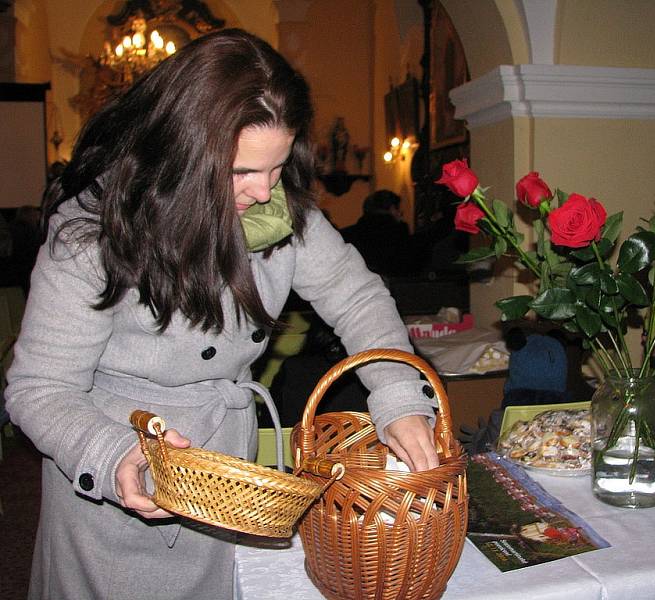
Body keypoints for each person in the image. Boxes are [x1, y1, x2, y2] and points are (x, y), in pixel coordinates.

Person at [5, 29, 439, 600]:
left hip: (233, 475)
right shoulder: (91, 233)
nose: (264, 192)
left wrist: (398, 394)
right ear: (182, 150)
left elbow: (357, 297)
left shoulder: (277, 213)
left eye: (277, 168)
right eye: (240, 173)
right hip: (122, 484)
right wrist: (112, 455)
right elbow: (38, 388)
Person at [340, 189, 418, 276]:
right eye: (398, 210)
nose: (400, 214)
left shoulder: (346, 235)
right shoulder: (397, 233)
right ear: (392, 209)